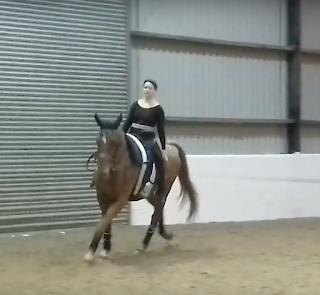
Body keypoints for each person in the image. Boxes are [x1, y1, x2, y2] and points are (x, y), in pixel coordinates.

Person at [122, 79, 167, 197]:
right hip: (133, 135)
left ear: (154, 91)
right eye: (145, 87)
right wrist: (121, 136)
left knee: (156, 159)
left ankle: (153, 185)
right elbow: (127, 123)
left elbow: (161, 129)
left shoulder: (158, 109)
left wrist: (163, 148)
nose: (147, 90)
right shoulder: (135, 105)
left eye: (150, 88)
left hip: (148, 139)